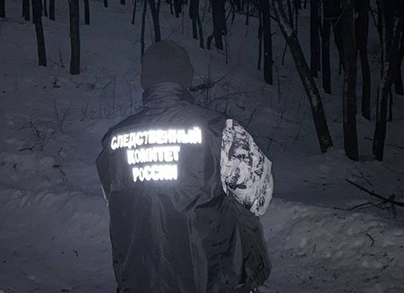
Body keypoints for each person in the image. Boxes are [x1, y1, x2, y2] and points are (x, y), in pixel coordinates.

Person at [96, 40, 274, 293]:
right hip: (210, 281)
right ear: (185, 78)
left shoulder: (113, 141)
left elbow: (116, 203)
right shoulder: (220, 131)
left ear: (145, 81)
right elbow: (259, 199)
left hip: (139, 282)